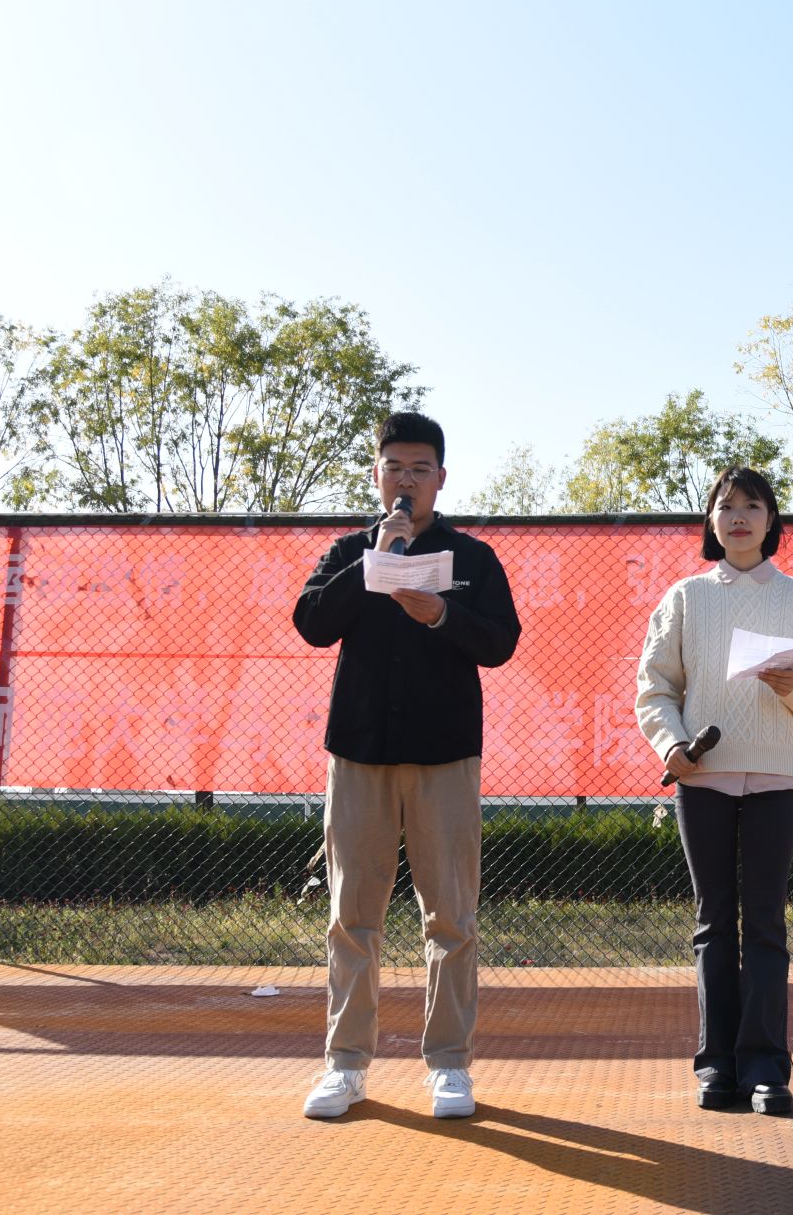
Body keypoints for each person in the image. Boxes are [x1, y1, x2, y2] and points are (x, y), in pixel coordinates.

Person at [293, 412, 521, 1121]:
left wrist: (440, 616)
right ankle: (345, 1065)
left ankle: (449, 1064)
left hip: (444, 755)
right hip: (359, 753)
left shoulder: (472, 558)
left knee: (449, 916)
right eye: (394, 467)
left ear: (440, 478)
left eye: (420, 469)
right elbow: (311, 622)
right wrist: (372, 563)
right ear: (376, 474)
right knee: (352, 916)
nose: (406, 480)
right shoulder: (349, 550)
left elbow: (501, 642)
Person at [635, 467, 793, 1115]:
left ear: (771, 520)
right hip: (702, 777)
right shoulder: (685, 598)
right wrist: (671, 744)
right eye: (726, 505)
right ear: (710, 519)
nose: (738, 516)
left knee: (764, 923)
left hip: (776, 779)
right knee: (712, 923)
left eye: (752, 505)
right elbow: (655, 687)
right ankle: (716, 1066)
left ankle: (765, 1069)